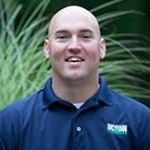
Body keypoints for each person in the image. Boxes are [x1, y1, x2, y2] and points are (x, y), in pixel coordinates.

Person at [0, 5, 150, 150]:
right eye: (63, 37)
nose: (74, 46)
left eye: (85, 36)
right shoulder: (11, 122)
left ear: (101, 48)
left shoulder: (140, 120)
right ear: (47, 49)